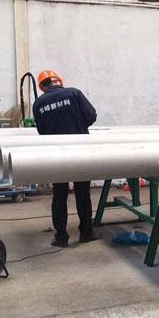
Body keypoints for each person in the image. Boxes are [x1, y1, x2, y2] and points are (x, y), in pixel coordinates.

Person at [33, 70, 99, 247]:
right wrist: (77, 125)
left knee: (59, 194)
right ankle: (86, 232)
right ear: (59, 82)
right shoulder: (74, 93)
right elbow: (91, 116)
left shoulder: (39, 103)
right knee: (82, 192)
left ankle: (61, 237)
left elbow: (41, 131)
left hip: (56, 153)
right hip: (80, 150)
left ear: (42, 87)